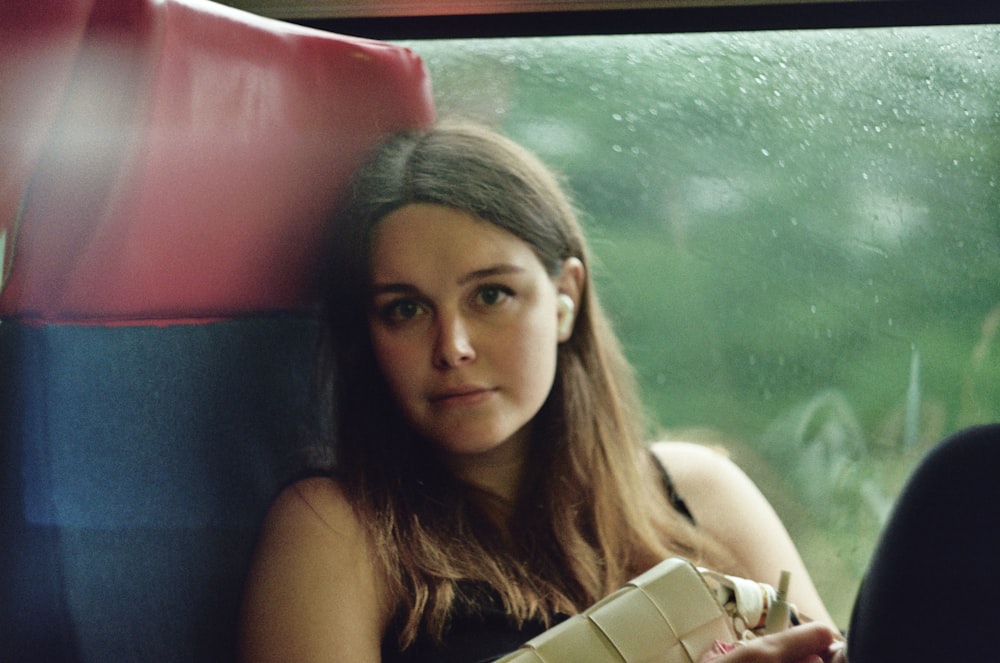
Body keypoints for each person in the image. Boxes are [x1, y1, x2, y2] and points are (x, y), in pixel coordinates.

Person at [237, 120, 997, 663]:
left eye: (491, 295)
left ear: (565, 296)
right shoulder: (341, 530)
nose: (453, 346)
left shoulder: (696, 489)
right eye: (404, 308)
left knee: (967, 485)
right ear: (366, 336)